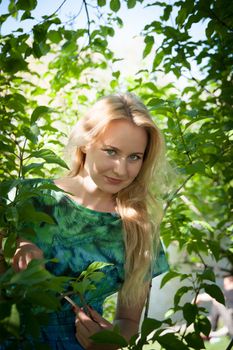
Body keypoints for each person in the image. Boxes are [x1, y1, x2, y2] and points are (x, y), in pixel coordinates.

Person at [1, 93, 169, 349]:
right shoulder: (26, 196)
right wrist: (11, 245)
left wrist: (110, 341)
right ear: (85, 143)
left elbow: (127, 321)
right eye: (111, 151)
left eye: (134, 157)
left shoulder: (137, 229)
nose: (121, 169)